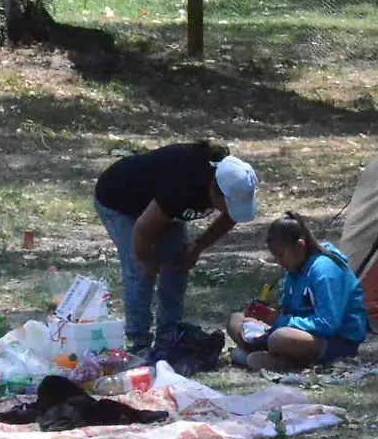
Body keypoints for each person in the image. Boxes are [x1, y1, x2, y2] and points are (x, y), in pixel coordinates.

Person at [93, 139, 258, 352]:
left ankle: (168, 334)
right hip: (118, 200)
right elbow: (142, 230)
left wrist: (197, 247)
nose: (233, 209)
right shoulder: (183, 186)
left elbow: (232, 216)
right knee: (140, 270)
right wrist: (148, 260)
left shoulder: (235, 182)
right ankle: (139, 341)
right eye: (229, 204)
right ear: (214, 192)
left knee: (179, 262)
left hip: (159, 207)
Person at [227, 212, 369, 371]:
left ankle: (278, 360)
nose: (280, 262)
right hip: (301, 332)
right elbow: (289, 309)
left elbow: (328, 324)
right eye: (275, 257)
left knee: (280, 338)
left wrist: (280, 321)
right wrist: (268, 314)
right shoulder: (294, 269)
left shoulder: (324, 270)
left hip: (336, 341)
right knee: (236, 320)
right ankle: (269, 357)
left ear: (300, 245)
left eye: (281, 255)